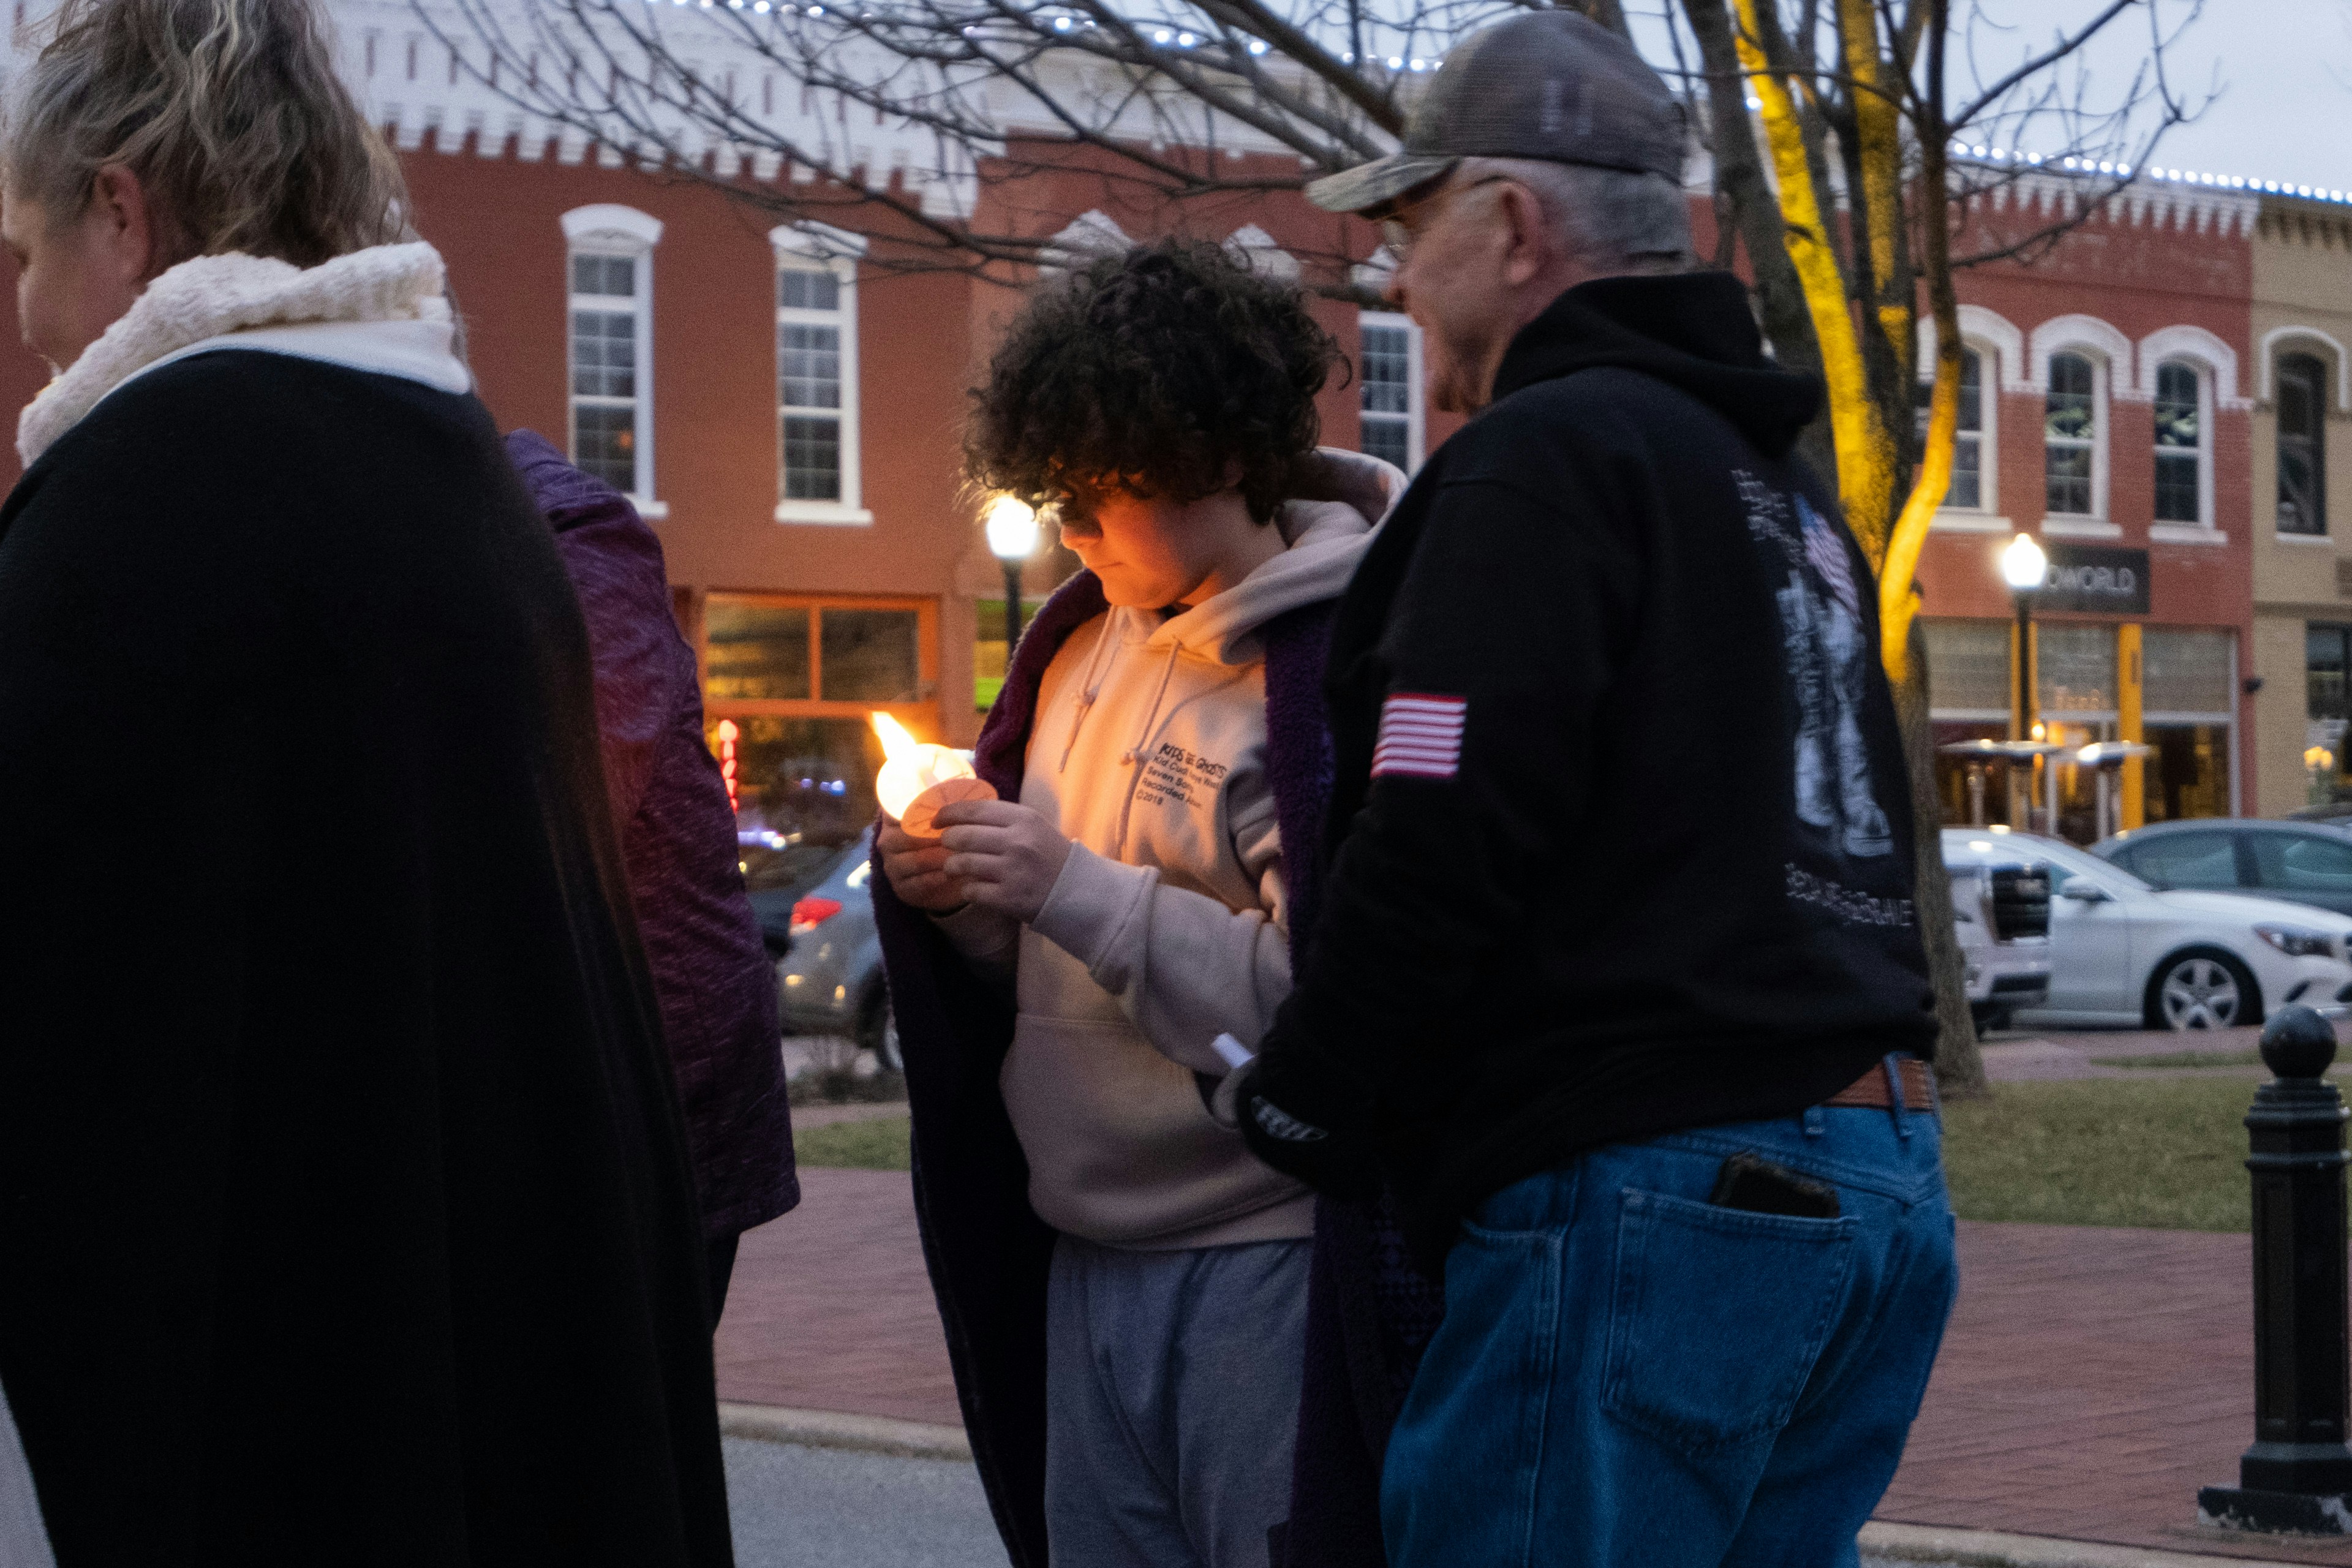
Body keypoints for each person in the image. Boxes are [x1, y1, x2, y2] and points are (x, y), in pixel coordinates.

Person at [0, 0, 732, 1560]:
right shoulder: (455, 462)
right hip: (522, 1356)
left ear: (120, 212)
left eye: (22, 249)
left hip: (284, 1383)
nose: (27, 310)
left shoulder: (134, 497)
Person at [1232, 13, 1960, 1567]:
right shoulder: (1790, 505)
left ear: (1511, 224)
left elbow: (1441, 811)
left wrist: (1306, 1089)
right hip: (1877, 1183)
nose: (1388, 271)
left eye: (1409, 223)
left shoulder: (1542, 459)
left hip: (1653, 1187)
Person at [870, 238, 1423, 1568]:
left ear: (1221, 456)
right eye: (1051, 488)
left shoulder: (1332, 665)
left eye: (1098, 488)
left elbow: (1323, 1004)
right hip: (1081, 1254)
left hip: (1266, 1262)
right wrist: (964, 900)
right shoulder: (1075, 641)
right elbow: (1047, 970)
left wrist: (1065, 884)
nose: (1066, 524)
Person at [508, 429, 799, 1327]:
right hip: (559, 1093)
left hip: (636, 1106)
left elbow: (556, 804)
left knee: (595, 1442)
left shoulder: (564, 534)